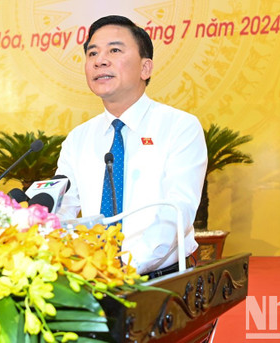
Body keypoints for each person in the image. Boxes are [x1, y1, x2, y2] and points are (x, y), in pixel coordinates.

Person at [55, 15, 207, 278]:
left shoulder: (179, 127)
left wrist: (125, 268)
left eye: (114, 50)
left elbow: (176, 211)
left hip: (162, 278)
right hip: (94, 277)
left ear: (145, 68)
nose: (100, 60)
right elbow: (62, 209)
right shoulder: (78, 139)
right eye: (92, 53)